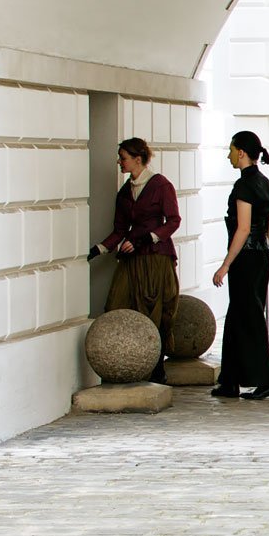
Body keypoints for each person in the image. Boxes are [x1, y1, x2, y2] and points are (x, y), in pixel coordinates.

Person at [88, 137, 181, 383]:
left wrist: (148, 238)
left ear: (137, 159)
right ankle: (126, 364)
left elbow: (173, 221)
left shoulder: (161, 185)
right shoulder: (125, 191)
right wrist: (98, 249)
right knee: (117, 304)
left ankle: (157, 367)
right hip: (132, 258)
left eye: (123, 158)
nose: (120, 162)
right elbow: (120, 230)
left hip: (156, 258)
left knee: (156, 309)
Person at [211, 130, 269, 400]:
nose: (229, 154)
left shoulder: (243, 186)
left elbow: (241, 229)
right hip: (261, 257)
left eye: (231, 149)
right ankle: (229, 380)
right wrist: (262, 248)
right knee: (240, 318)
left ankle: (268, 379)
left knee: (248, 319)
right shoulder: (266, 184)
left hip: (245, 259)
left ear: (241, 152)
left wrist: (225, 265)